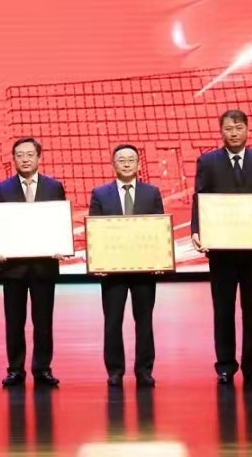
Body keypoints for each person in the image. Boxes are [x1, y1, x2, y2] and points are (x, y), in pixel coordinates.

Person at [191, 109, 252, 386]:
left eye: (239, 128)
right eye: (229, 129)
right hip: (221, 248)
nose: (234, 133)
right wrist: (196, 230)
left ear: (247, 130)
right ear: (221, 131)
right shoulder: (208, 161)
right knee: (223, 309)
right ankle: (225, 366)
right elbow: (200, 197)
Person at [87, 144, 165, 387]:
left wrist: (160, 260)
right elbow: (95, 231)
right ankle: (115, 371)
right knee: (112, 321)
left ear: (139, 164)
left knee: (144, 321)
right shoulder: (100, 194)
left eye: (132, 159)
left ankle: (144, 370)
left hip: (144, 270)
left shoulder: (152, 193)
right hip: (113, 270)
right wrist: (97, 262)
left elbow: (159, 229)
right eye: (122, 159)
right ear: (113, 164)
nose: (127, 163)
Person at [0, 137, 65, 388]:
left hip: (44, 266)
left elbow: (59, 221)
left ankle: (42, 369)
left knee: (43, 322)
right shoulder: (3, 189)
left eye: (30, 154)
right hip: (13, 268)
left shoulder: (54, 187)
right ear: (13, 159)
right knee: (14, 322)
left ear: (39, 157)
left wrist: (61, 245)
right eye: (20, 155)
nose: (25, 159)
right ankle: (15, 370)